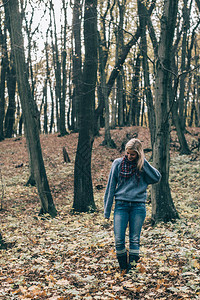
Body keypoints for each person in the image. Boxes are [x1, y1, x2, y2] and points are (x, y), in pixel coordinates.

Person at [104, 138, 161, 273]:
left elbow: (157, 178)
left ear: (139, 154)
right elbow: (110, 187)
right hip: (121, 206)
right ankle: (124, 268)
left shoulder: (143, 167)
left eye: (133, 154)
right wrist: (107, 211)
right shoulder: (118, 164)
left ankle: (133, 270)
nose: (129, 157)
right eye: (127, 153)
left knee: (134, 239)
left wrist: (143, 162)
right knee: (119, 239)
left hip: (138, 207)